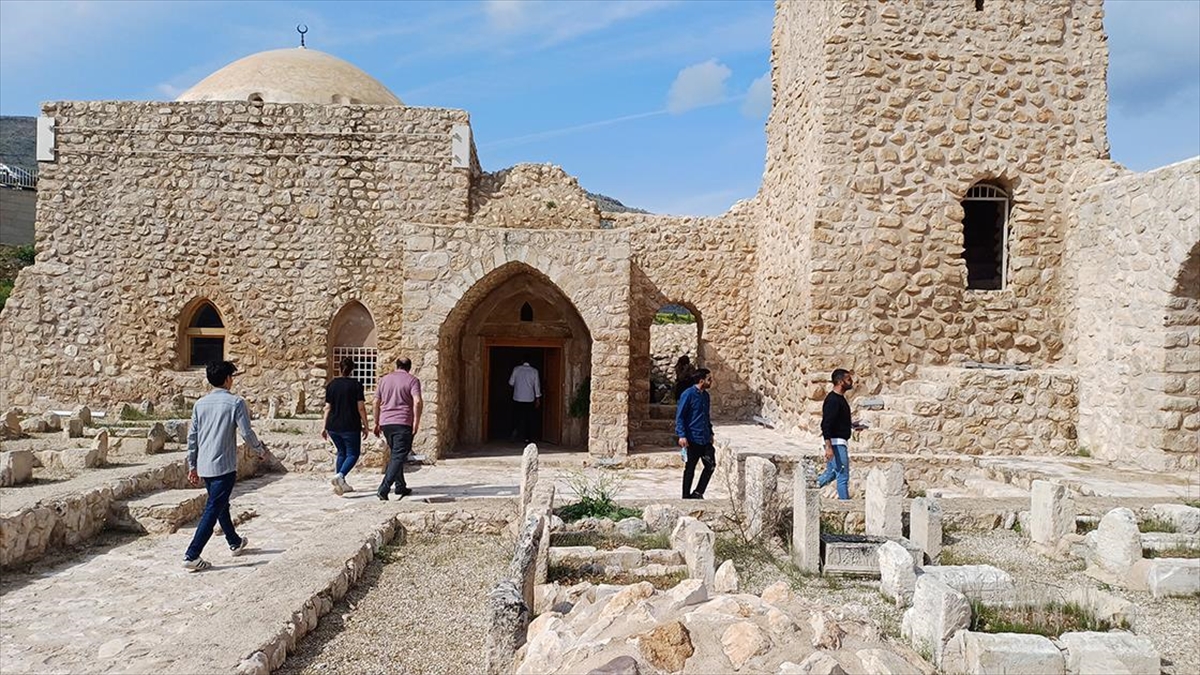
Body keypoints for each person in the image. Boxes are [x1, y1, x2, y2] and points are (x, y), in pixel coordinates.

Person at [182, 360, 267, 572]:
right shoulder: (236, 403)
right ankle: (192, 554)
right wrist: (259, 450)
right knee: (213, 508)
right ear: (228, 379)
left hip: (204, 465)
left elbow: (192, 438)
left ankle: (234, 541)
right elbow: (246, 432)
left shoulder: (199, 404)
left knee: (220, 504)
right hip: (224, 466)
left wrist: (192, 465)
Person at [373, 357, 422, 500]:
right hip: (403, 422)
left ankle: (400, 486)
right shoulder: (412, 380)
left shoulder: (384, 380)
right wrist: (416, 422)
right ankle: (384, 488)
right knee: (398, 455)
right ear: (409, 367)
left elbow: (376, 402)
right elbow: (417, 401)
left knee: (396, 454)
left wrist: (376, 422)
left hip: (386, 422)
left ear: (397, 365)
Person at [323, 356, 369, 496]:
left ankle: (340, 484)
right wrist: (366, 425)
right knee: (353, 453)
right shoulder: (356, 385)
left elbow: (327, 407)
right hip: (350, 425)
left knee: (342, 452)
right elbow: (361, 407)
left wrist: (324, 426)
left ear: (339, 368)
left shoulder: (331, 385)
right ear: (352, 370)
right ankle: (341, 475)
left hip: (333, 425)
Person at [817, 368, 866, 500]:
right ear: (840, 381)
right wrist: (828, 447)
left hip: (838, 442)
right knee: (842, 476)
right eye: (848, 379)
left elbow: (837, 421)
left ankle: (806, 490)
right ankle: (846, 507)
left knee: (831, 473)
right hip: (836, 444)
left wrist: (852, 425)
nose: (851, 382)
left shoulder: (840, 399)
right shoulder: (833, 400)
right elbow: (826, 424)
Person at [676, 368, 715, 499]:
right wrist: (681, 435)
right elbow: (680, 416)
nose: (711, 381)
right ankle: (686, 496)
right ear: (701, 380)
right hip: (692, 438)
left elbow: (706, 416)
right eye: (709, 379)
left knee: (710, 465)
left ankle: (698, 492)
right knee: (690, 468)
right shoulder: (688, 394)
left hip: (704, 437)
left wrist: (710, 432)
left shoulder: (705, 396)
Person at [508, 357, 541, 444]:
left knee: (516, 417)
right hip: (529, 399)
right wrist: (537, 398)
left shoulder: (516, 369)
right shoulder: (534, 371)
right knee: (528, 419)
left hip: (517, 398)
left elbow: (511, 383)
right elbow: (537, 386)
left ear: (522, 361)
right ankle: (527, 438)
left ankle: (514, 431)